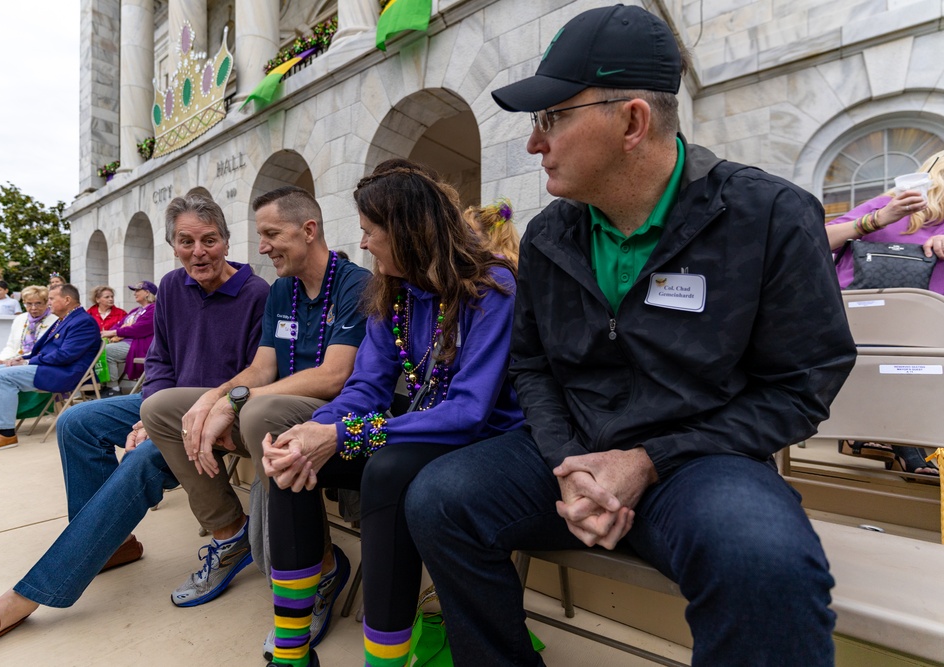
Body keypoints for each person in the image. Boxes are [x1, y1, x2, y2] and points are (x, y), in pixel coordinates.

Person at [404, 7, 858, 667]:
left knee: (766, 562)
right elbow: (531, 366)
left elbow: (801, 386)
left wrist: (646, 460)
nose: (535, 143)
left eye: (551, 118)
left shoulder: (769, 217)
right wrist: (571, 464)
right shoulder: (553, 233)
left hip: (701, 464)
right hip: (574, 453)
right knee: (439, 496)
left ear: (632, 121)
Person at [0, 193, 270, 666]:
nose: (198, 251)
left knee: (140, 460)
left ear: (225, 240)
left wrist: (163, 420)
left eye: (209, 240)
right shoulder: (172, 287)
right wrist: (148, 412)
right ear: (171, 244)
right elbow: (160, 361)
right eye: (185, 241)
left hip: (214, 412)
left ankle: (25, 598)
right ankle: (111, 544)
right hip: (162, 403)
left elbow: (254, 373)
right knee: (76, 421)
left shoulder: (256, 293)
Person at [260, 161, 522, 667]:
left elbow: (468, 413)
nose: (362, 245)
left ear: (407, 231)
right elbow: (365, 388)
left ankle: (384, 661)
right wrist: (316, 429)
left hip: (485, 442)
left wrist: (347, 434)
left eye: (368, 232)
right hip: (420, 427)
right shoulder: (391, 294)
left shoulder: (491, 286)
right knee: (291, 464)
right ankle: (292, 655)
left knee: (387, 471)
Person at [142, 186, 370, 654]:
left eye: (270, 234)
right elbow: (262, 367)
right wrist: (215, 398)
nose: (261, 246)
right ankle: (231, 533)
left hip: (326, 423)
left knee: (259, 412)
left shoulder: (354, 284)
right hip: (268, 414)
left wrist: (240, 400)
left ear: (308, 231)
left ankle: (318, 571)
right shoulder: (282, 289)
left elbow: (332, 377)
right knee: (160, 409)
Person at [825, 152, 943, 480]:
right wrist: (875, 220)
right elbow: (813, 240)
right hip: (876, 325)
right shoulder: (893, 203)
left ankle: (877, 437)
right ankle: (899, 442)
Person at [0, 283, 101, 454]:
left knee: (2, 377)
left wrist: (30, 362)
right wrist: (22, 358)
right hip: (51, 368)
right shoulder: (65, 318)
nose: (48, 303)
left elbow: (66, 356)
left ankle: (5, 433)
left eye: (51, 299)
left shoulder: (83, 322)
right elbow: (47, 351)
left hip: (65, 373)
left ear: (67, 300)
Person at [100, 281, 157, 397]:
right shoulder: (135, 310)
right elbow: (119, 324)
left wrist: (115, 332)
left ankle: (113, 389)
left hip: (139, 345)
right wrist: (111, 332)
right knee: (99, 348)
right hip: (126, 343)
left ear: (147, 293)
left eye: (137, 290)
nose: (134, 293)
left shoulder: (154, 309)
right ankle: (103, 386)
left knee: (107, 351)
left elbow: (139, 329)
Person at [464, 196, 520, 267]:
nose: (465, 236)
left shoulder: (495, 268)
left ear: (490, 235)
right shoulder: (512, 263)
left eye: (470, 231)